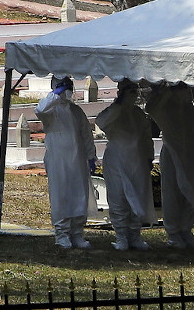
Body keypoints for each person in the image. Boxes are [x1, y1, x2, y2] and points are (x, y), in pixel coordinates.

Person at [145, 83, 194, 248]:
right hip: (172, 152)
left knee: (192, 191)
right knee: (173, 193)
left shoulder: (188, 108)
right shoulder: (165, 106)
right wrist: (165, 92)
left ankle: (186, 228)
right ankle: (174, 232)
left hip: (191, 153)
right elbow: (151, 108)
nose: (187, 94)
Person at [35, 76, 97, 249]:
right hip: (58, 159)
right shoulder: (51, 111)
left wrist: (91, 156)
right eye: (64, 86)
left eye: (69, 86)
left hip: (77, 159)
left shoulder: (76, 111)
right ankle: (62, 234)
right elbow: (39, 109)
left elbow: (86, 134)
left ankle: (77, 233)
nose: (68, 90)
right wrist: (56, 93)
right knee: (61, 194)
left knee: (79, 193)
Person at [94, 79, 155, 250]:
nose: (133, 94)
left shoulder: (138, 113)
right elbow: (101, 122)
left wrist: (149, 158)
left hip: (137, 160)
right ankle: (121, 236)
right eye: (129, 91)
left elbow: (146, 137)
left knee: (137, 197)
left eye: (134, 90)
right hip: (117, 159)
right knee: (118, 198)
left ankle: (135, 236)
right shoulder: (113, 111)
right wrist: (120, 104)